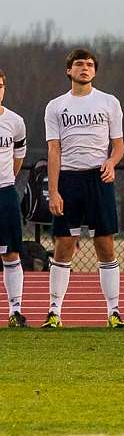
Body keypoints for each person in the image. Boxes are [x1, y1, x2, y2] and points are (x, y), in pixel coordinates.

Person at [42, 49, 124, 329]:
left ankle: (114, 312)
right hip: (68, 179)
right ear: (69, 70)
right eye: (79, 64)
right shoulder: (55, 106)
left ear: (95, 71)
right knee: (64, 246)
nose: (85, 68)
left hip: (98, 180)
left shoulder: (109, 102)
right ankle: (54, 311)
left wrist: (112, 162)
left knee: (105, 245)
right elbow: (53, 151)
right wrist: (54, 191)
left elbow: (119, 146)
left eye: (90, 65)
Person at [0, 69, 28, 327]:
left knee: (11, 254)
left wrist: (8, 177)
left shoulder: (15, 121)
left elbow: (19, 154)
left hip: (5, 192)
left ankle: (15, 310)